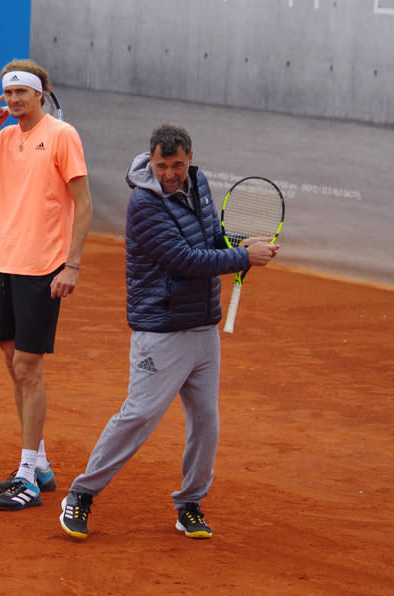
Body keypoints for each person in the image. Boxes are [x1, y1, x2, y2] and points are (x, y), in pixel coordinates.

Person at [58, 124, 278, 539]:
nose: (170, 173)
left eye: (177, 164)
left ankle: (190, 504)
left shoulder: (200, 185)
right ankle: (81, 495)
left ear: (190, 159)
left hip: (202, 328)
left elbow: (209, 238)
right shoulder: (144, 203)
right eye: (162, 165)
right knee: (139, 415)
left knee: (205, 422)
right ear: (151, 160)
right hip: (161, 332)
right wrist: (242, 257)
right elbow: (183, 259)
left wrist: (238, 245)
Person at [0, 59, 93, 511]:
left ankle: (28, 479)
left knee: (27, 368)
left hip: (43, 268)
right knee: (14, 363)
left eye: (22, 93)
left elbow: (84, 204)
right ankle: (38, 463)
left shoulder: (61, 135)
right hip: (6, 264)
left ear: (40, 95)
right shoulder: (3, 136)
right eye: (8, 93)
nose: (14, 101)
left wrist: (71, 266)